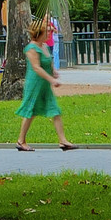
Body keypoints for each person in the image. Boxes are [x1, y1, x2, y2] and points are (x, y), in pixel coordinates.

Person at [15, 17, 75, 152]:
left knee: (55, 110)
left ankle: (63, 140)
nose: (49, 34)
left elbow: (48, 61)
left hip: (45, 85)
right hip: (35, 84)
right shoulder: (31, 48)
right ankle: (21, 140)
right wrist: (51, 79)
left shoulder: (45, 46)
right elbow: (36, 67)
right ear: (39, 33)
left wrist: (54, 71)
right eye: (47, 32)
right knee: (31, 111)